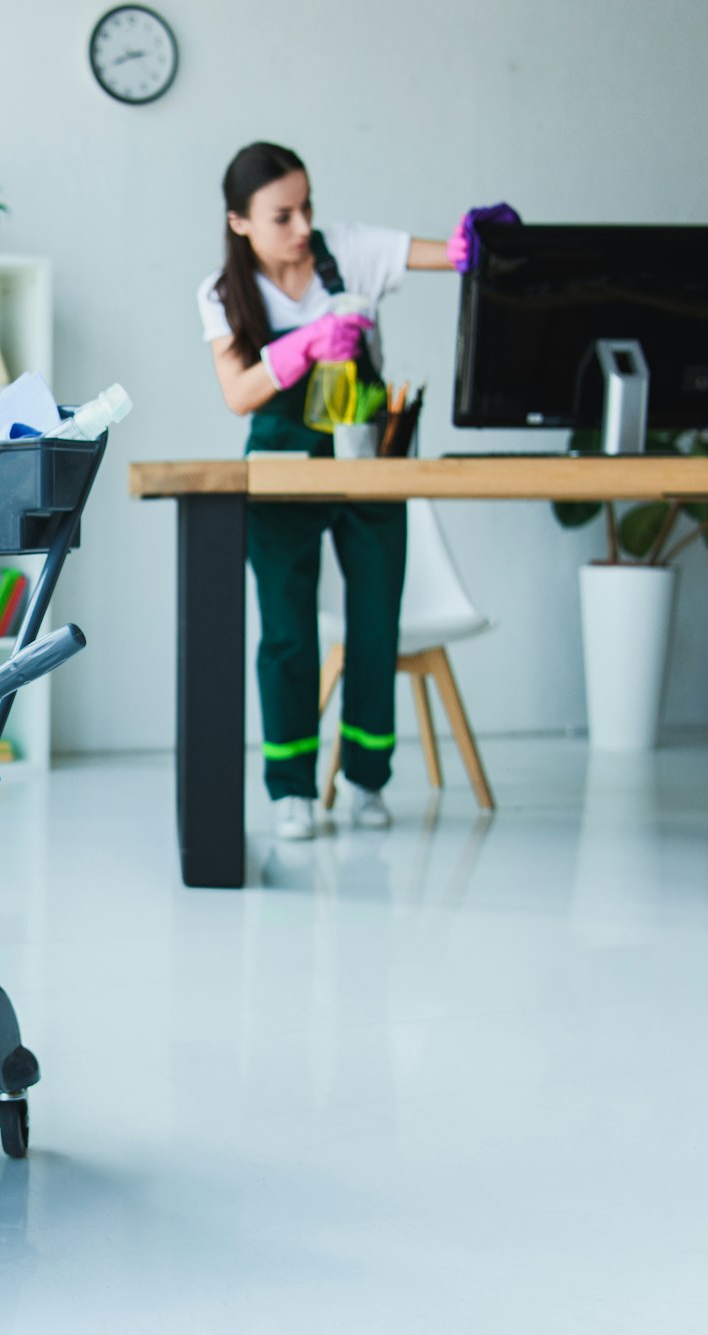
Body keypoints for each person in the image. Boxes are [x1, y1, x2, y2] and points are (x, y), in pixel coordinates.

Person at [196, 140, 504, 840]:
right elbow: (240, 393)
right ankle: (291, 788)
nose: (302, 226)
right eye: (282, 215)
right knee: (287, 631)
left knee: (375, 623)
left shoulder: (349, 253)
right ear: (240, 221)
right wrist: (300, 347)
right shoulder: (222, 293)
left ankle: (367, 777)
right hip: (279, 465)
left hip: (369, 459)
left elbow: (450, 256)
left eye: (307, 206)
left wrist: (478, 243)